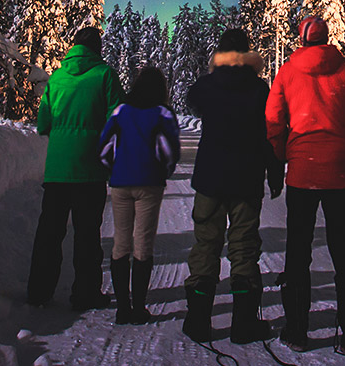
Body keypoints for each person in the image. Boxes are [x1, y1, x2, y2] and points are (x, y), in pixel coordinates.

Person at [265, 15, 345, 354]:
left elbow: (273, 119)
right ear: (326, 38)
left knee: (298, 253)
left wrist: (286, 154)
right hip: (339, 173)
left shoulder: (287, 71)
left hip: (302, 173)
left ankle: (297, 330)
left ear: (302, 39)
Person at [182, 28, 284, 344]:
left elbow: (192, 100)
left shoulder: (209, 85)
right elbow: (270, 133)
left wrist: (215, 73)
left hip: (211, 178)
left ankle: (198, 321)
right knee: (244, 247)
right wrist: (275, 173)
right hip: (246, 177)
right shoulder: (259, 88)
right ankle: (243, 324)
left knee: (205, 244)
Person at [27, 26, 124, 310]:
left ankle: (38, 292)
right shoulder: (105, 75)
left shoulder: (56, 77)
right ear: (98, 48)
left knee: (49, 232)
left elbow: (43, 123)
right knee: (87, 235)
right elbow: (117, 119)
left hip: (57, 170)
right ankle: (85, 294)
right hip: (90, 170)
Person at [99, 67, 182, 324]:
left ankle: (122, 308)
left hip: (121, 183)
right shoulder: (163, 113)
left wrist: (114, 171)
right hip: (150, 185)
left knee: (120, 243)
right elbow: (171, 152)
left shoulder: (121, 111)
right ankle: (139, 308)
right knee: (143, 245)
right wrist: (162, 172)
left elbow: (104, 146)